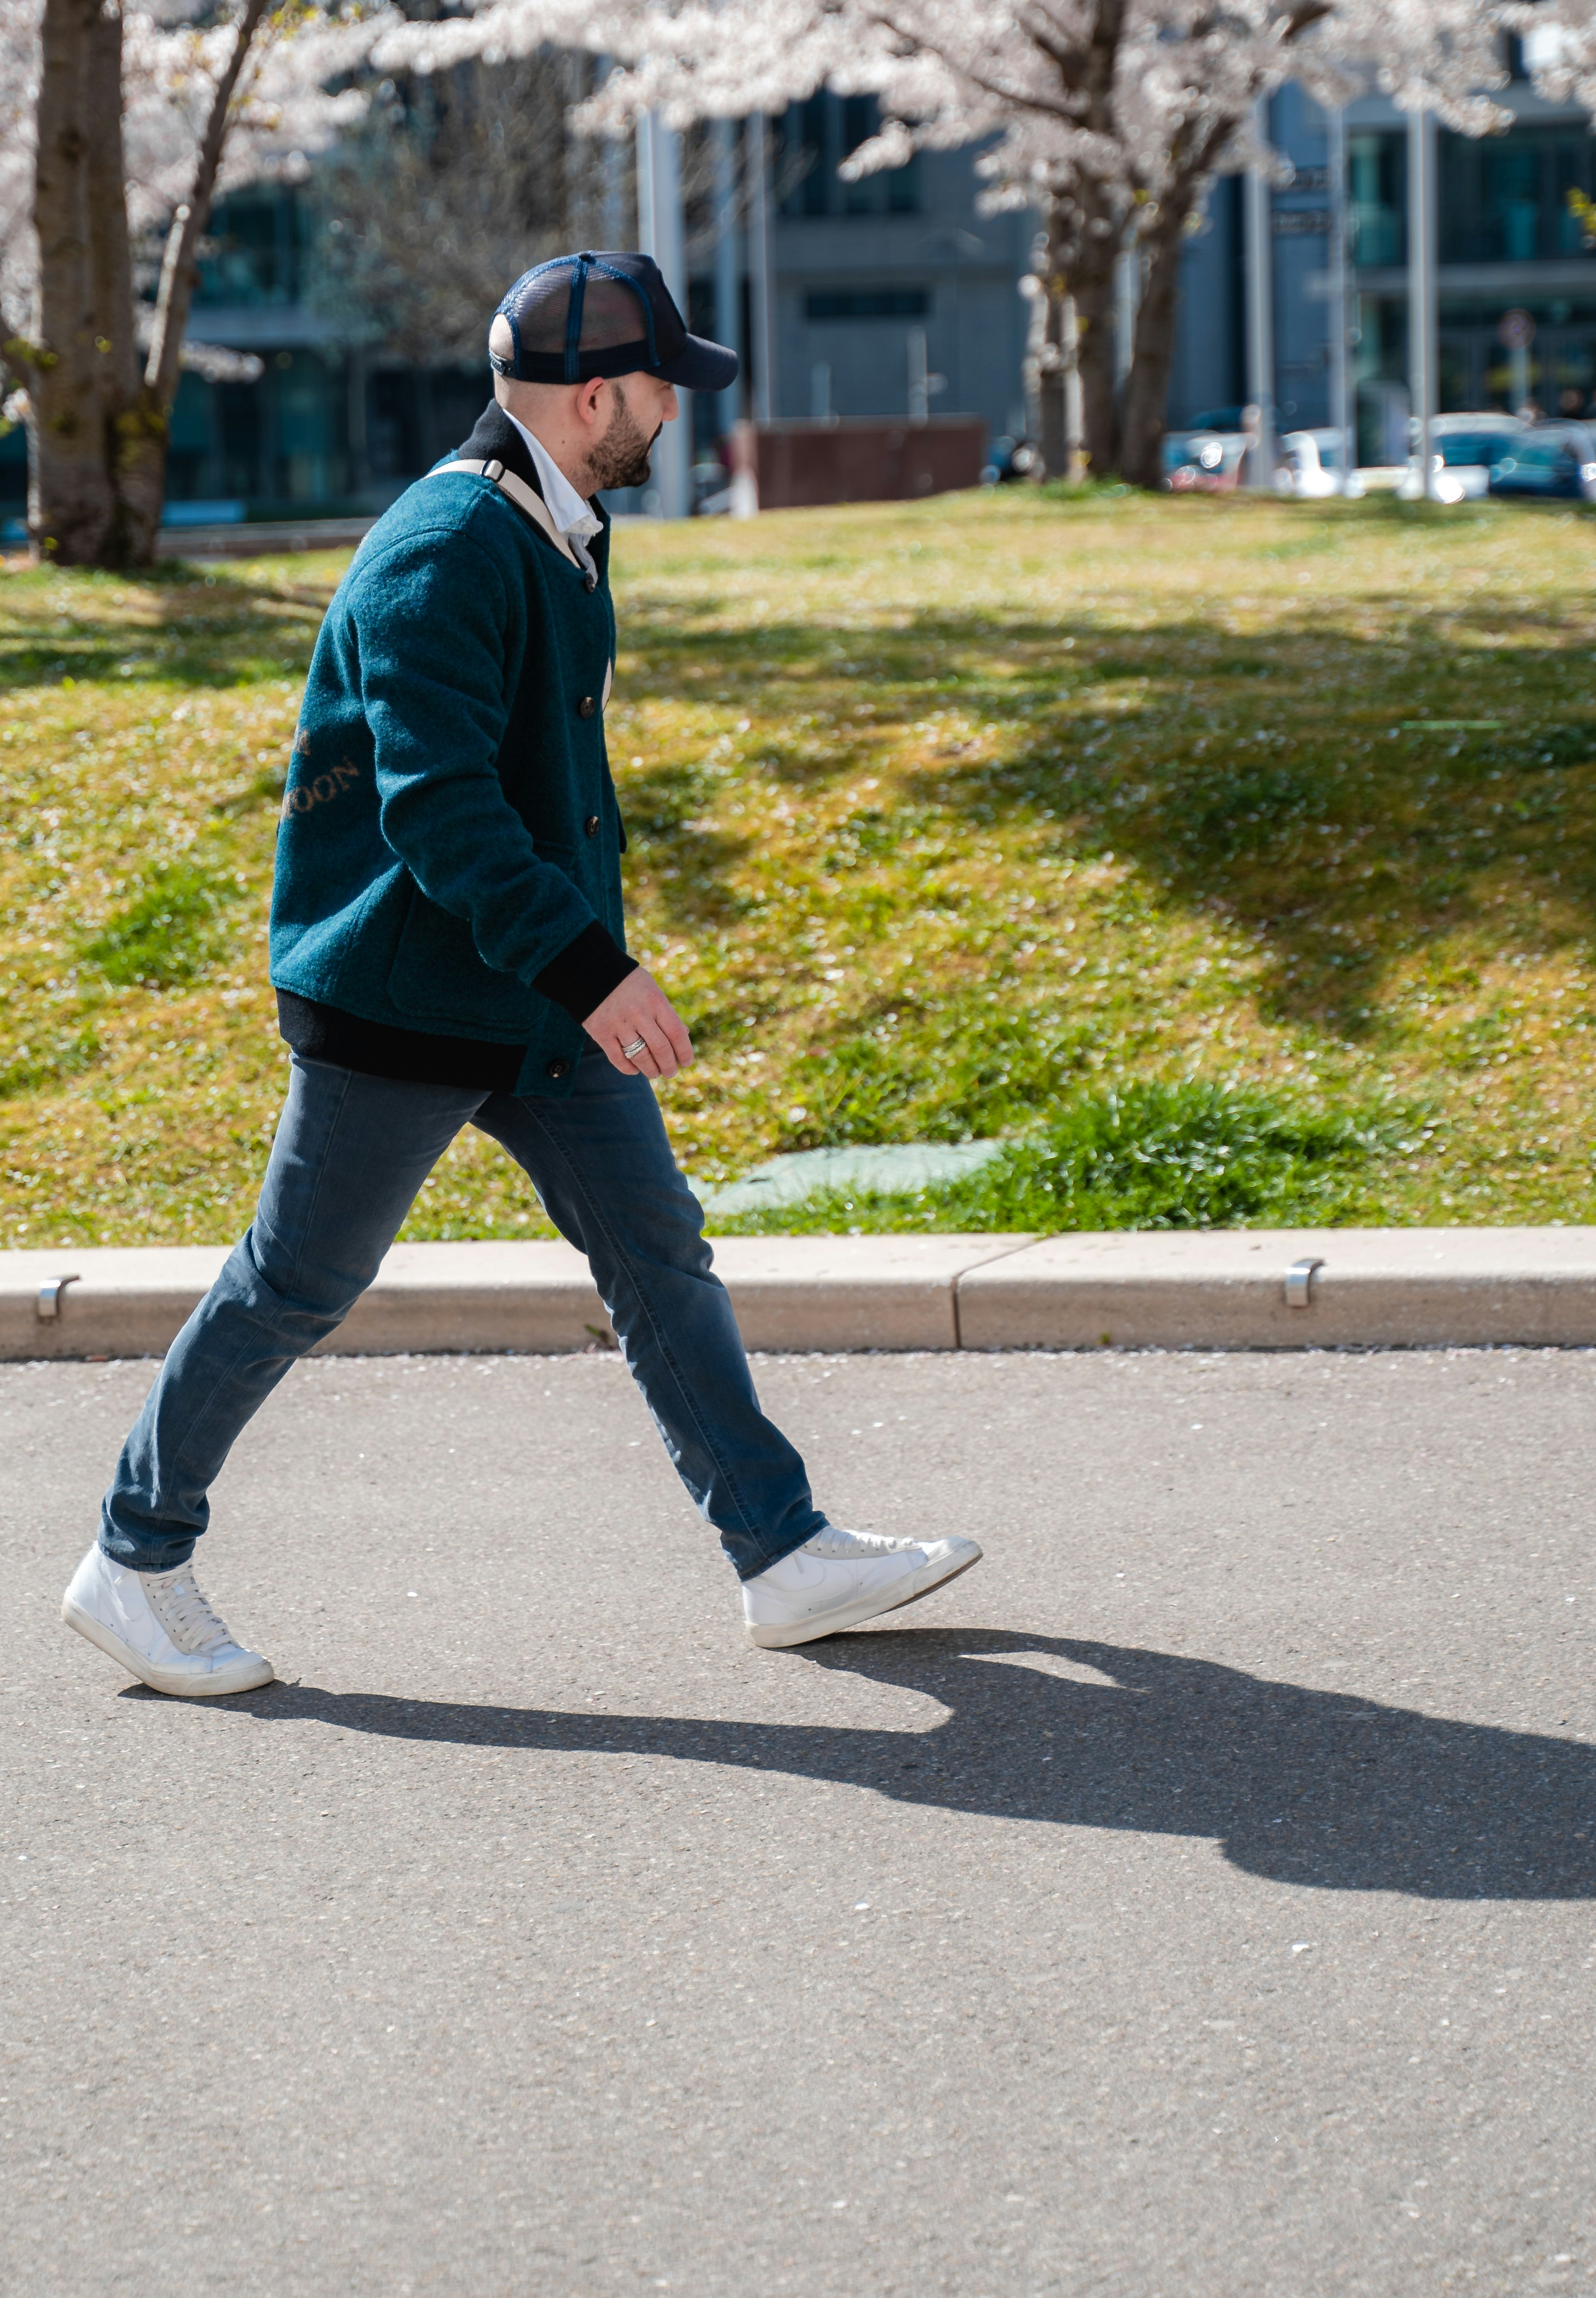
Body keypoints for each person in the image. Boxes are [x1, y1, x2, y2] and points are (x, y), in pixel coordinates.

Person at [62, 251, 980, 1695]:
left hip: (527, 991)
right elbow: (438, 810)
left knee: (656, 1249)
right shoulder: (447, 545)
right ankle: (133, 1555)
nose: (678, 407)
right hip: (403, 997)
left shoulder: (558, 525)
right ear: (594, 395)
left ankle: (781, 1552)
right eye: (662, 383)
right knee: (297, 1283)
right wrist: (594, 968)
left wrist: (576, 969)